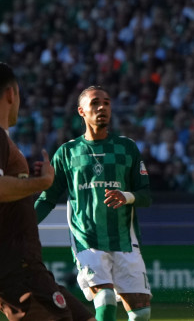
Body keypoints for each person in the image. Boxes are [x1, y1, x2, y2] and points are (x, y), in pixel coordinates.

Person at [34, 86, 152, 321]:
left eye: (107, 103)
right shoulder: (67, 153)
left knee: (141, 314)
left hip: (125, 241)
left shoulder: (126, 148)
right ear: (81, 111)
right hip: (87, 241)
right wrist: (23, 224)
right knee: (105, 299)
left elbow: (146, 195)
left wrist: (126, 196)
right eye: (96, 103)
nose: (102, 108)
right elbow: (47, 198)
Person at [0, 63, 95, 321]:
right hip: (19, 272)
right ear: (11, 94)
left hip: (29, 270)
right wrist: (40, 184)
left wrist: (28, 180)